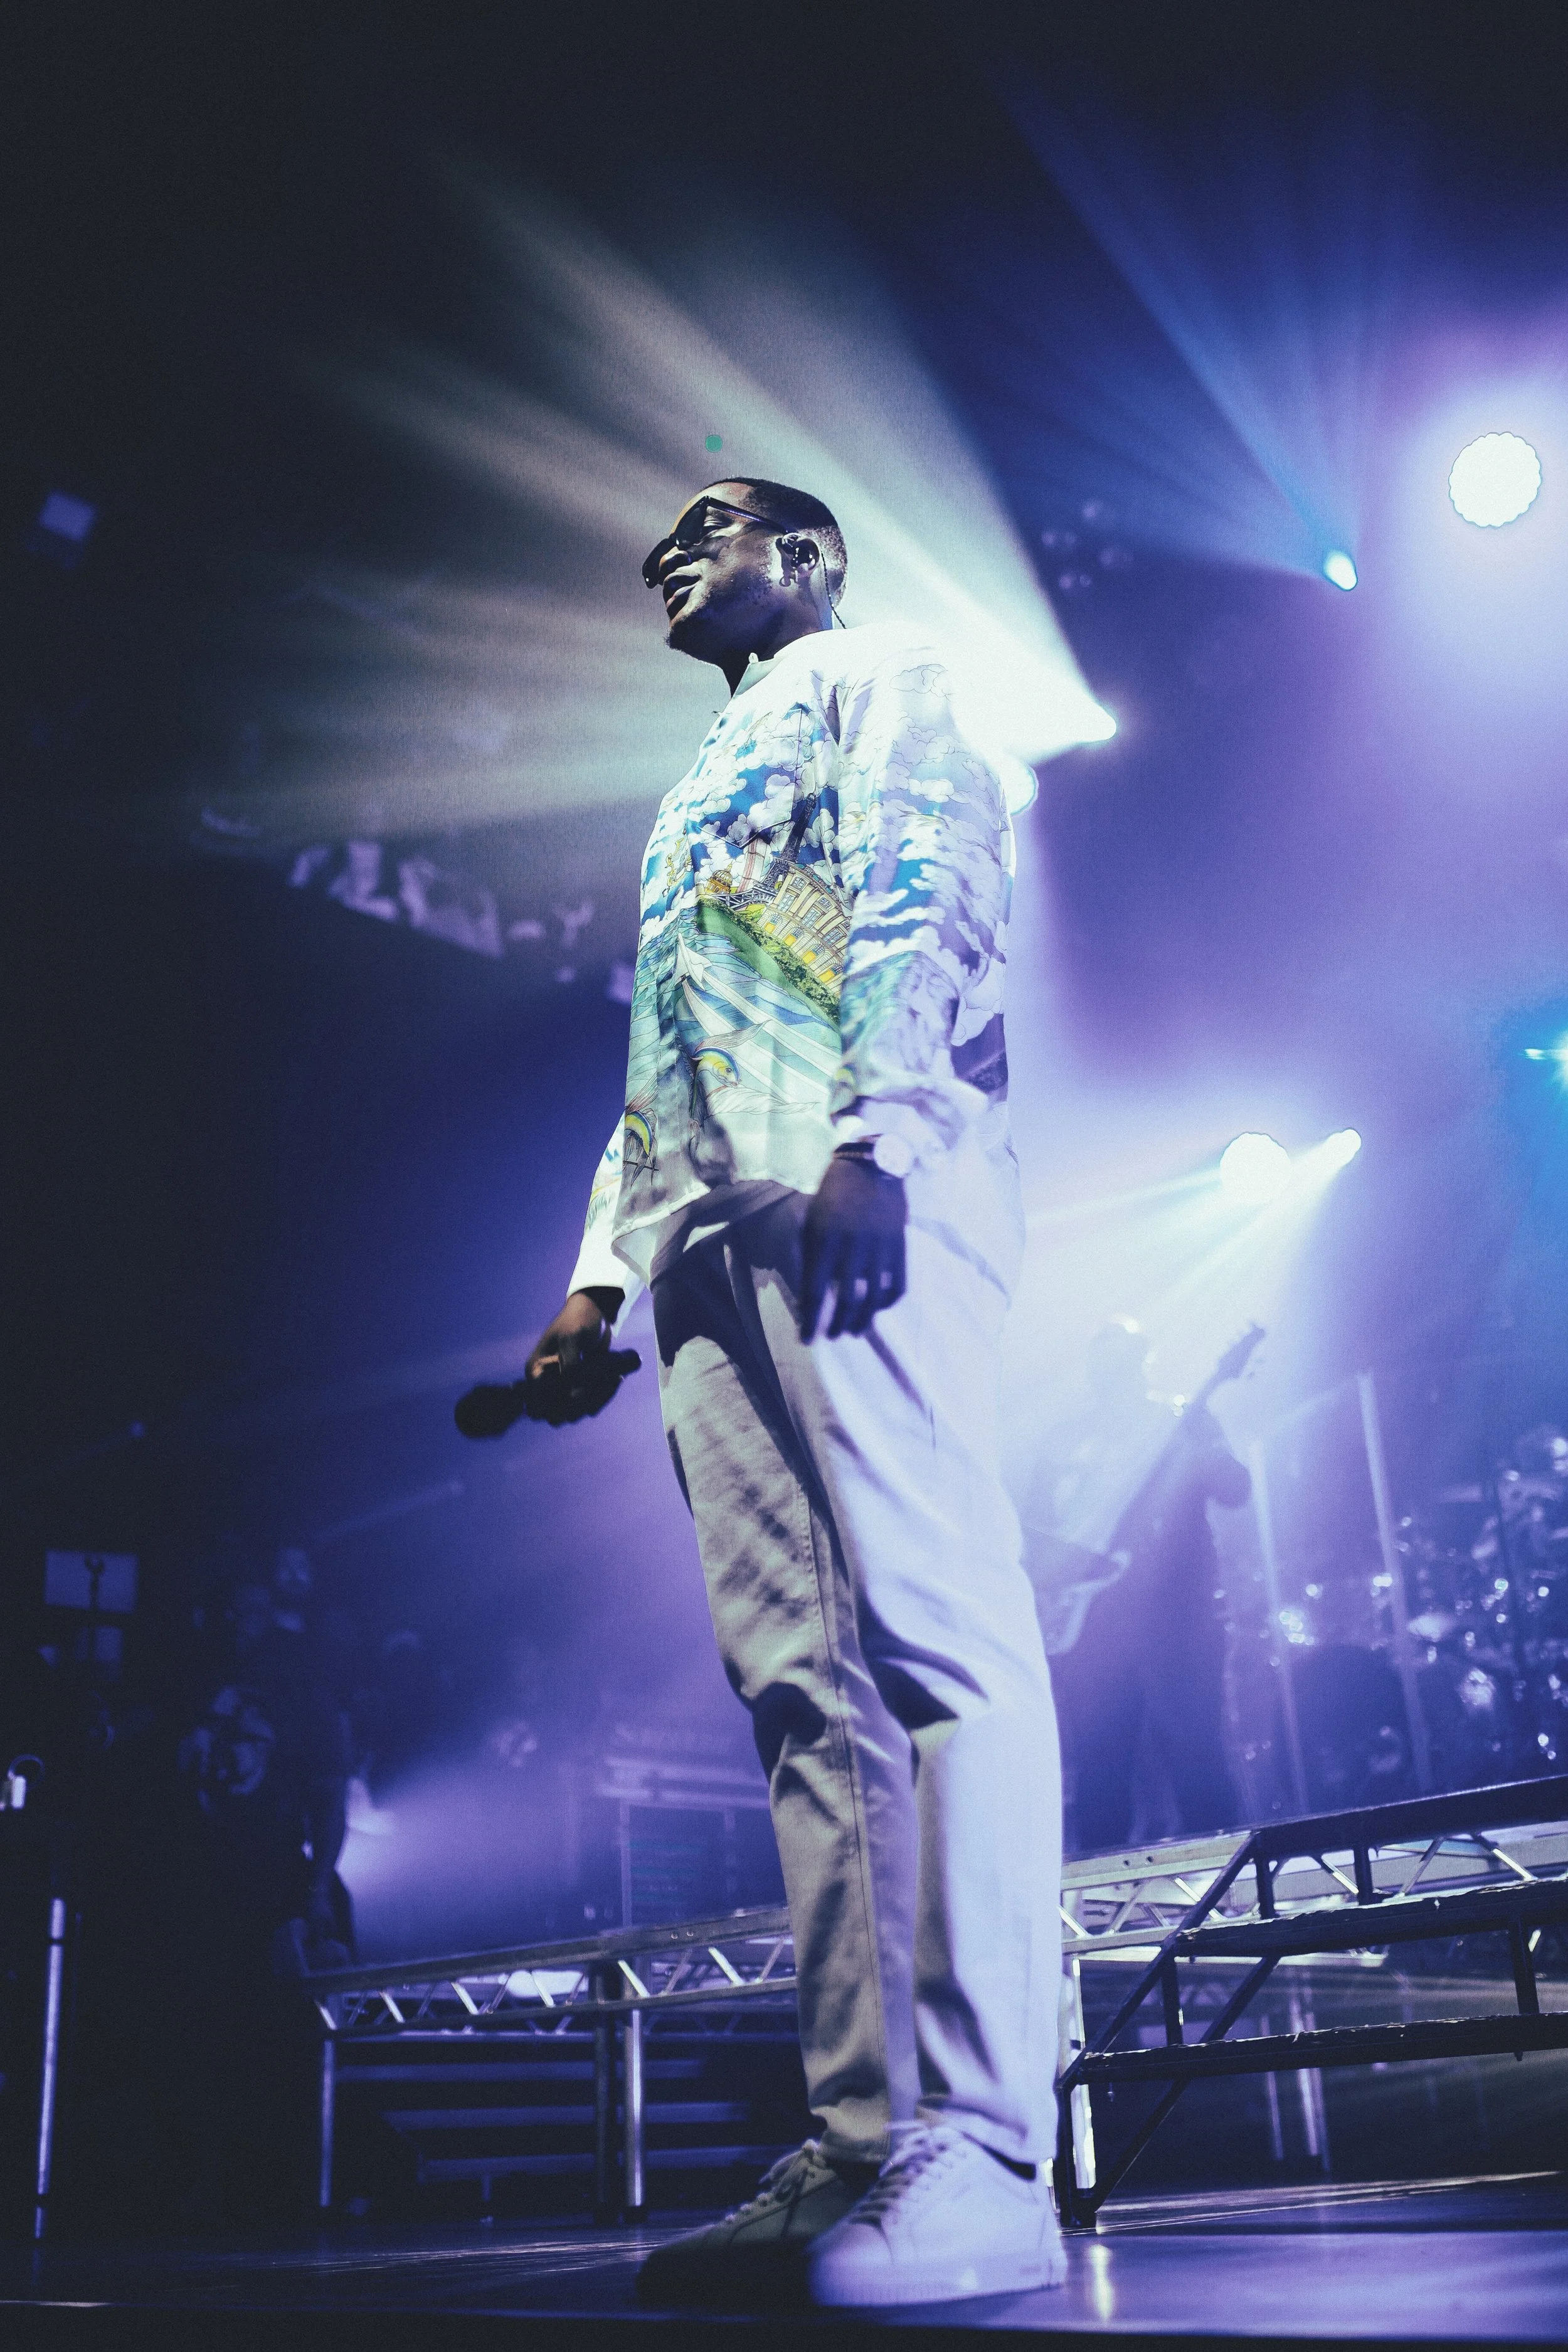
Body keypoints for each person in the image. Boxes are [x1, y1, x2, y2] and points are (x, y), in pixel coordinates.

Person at [521, 481, 1064, 2306]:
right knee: (793, 1691)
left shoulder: (885, 669)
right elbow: (659, 1041)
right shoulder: (684, 796)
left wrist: (881, 1130)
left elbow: (928, 872)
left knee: (931, 1634)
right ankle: (858, 2141)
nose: (668, 552)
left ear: (811, 557)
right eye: (656, 542)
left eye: (713, 525)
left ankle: (988, 2141)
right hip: (696, 1236)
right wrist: (594, 1280)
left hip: (850, 1190)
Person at [1027, 1318, 1250, 1853]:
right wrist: (1053, 1588)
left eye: (1125, 1362)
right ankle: (1104, 1914)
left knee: (1199, 1762)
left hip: (1179, 1621)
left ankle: (1228, 1896)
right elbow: (1034, 1528)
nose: (1114, 1374)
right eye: (1105, 1365)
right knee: (1101, 1777)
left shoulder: (1182, 1421)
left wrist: (1205, 1444)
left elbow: (1235, 1488)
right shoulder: (1065, 1440)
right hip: (1092, 1630)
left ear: (1141, 1364)